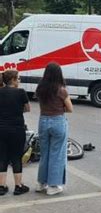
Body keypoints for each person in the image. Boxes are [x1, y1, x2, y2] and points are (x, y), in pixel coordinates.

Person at [36, 62, 74, 196]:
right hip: (58, 121)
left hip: (43, 121)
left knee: (44, 153)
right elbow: (70, 108)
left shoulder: (40, 88)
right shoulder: (61, 90)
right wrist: (59, 108)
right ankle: (53, 185)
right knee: (57, 154)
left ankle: (41, 183)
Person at [0, 70, 31, 196]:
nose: (19, 80)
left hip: (1, 129)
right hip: (17, 129)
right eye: (18, 78)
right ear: (12, 79)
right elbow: (28, 108)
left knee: (2, 157)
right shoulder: (21, 92)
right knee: (16, 157)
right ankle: (18, 186)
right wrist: (16, 110)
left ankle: (1, 186)